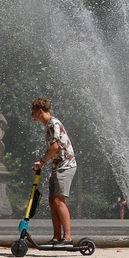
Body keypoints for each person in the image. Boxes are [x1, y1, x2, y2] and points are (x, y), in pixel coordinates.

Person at [30, 97, 77, 246]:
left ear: (40, 111)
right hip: (58, 166)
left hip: (66, 165)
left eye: (33, 112)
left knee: (58, 200)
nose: (32, 115)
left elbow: (55, 147)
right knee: (52, 201)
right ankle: (56, 237)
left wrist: (42, 162)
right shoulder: (49, 125)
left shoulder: (53, 124)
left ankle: (67, 237)